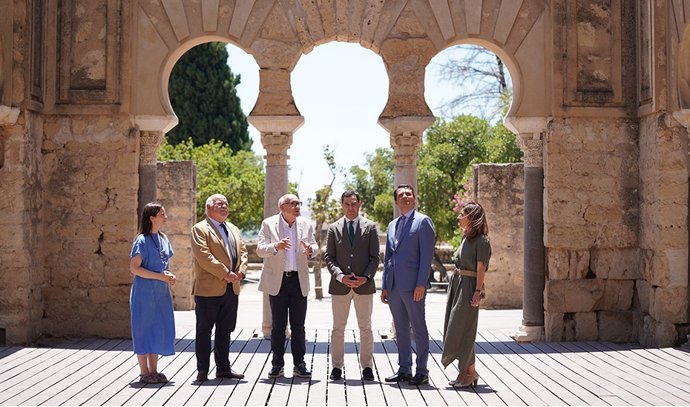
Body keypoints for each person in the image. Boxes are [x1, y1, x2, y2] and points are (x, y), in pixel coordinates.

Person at [256, 194, 319, 379]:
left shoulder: (306, 224)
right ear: (282, 207)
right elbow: (260, 249)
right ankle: (277, 364)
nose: (298, 206)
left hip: (298, 280)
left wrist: (311, 250)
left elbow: (314, 246)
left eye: (299, 203)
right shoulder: (268, 224)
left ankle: (300, 364)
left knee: (299, 325)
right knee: (278, 325)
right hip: (278, 281)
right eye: (293, 204)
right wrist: (276, 246)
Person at [381, 184, 435, 386]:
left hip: (414, 287)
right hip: (394, 286)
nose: (405, 197)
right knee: (401, 329)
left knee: (418, 328)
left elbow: (426, 257)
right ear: (396, 201)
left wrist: (421, 283)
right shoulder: (392, 225)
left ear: (414, 198)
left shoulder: (423, 222)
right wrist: (385, 286)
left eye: (408, 194)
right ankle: (404, 369)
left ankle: (422, 371)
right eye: (401, 195)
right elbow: (388, 258)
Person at [191, 194, 248, 382]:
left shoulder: (233, 228)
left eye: (226, 203)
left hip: (232, 289)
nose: (224, 206)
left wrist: (241, 272)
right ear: (209, 208)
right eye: (220, 204)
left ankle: (223, 368)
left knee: (225, 331)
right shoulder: (200, 229)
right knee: (204, 331)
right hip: (208, 290)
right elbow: (203, 256)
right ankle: (202, 370)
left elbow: (243, 252)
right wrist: (225, 273)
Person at [324, 190, 380, 381]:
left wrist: (366, 277)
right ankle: (337, 367)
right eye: (347, 204)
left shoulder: (371, 227)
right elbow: (329, 257)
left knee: (366, 327)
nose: (350, 207)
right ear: (342, 205)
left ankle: (367, 367)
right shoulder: (333, 228)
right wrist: (340, 276)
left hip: (364, 286)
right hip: (340, 286)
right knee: (338, 328)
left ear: (359, 203)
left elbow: (375, 257)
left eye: (354, 203)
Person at [443, 201, 491, 388]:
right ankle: (466, 372)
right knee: (454, 327)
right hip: (457, 286)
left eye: (462, 214)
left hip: (469, 287)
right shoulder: (466, 239)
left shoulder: (482, 241)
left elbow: (481, 269)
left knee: (464, 329)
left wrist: (477, 292)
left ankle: (470, 372)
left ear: (472, 218)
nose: (459, 216)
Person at [129, 202, 177, 384]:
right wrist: (159, 276)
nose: (165, 217)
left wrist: (168, 276)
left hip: (161, 292)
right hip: (144, 293)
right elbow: (135, 268)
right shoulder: (141, 240)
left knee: (158, 328)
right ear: (152, 218)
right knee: (144, 329)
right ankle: (144, 372)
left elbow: (164, 266)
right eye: (162, 214)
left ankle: (154, 371)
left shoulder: (164, 239)